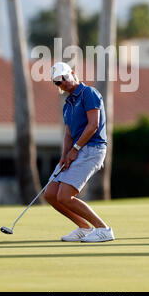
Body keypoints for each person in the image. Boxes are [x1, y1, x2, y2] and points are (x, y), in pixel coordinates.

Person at [44, 61, 115, 243]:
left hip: (93, 149)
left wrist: (74, 150)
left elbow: (93, 125)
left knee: (65, 196)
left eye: (64, 78)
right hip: (76, 150)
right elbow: (68, 134)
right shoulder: (67, 105)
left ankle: (103, 229)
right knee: (51, 194)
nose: (63, 83)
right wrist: (64, 156)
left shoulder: (88, 93)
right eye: (57, 82)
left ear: (73, 74)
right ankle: (84, 227)